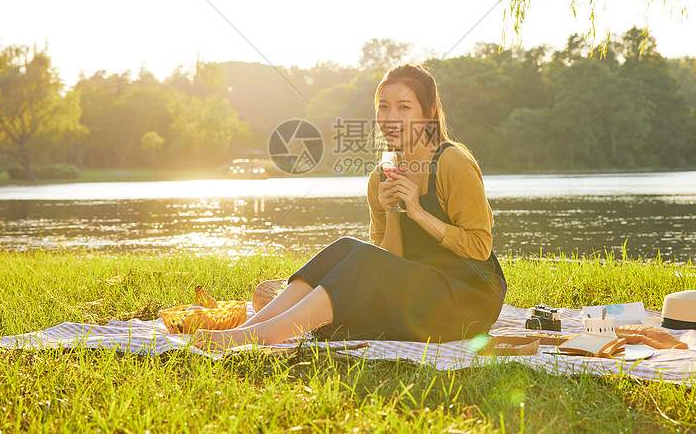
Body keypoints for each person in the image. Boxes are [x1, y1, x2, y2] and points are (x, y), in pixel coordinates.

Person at [194, 63, 507, 350]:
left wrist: (418, 212)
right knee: (346, 248)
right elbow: (389, 261)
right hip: (418, 295)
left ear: (429, 112)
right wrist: (392, 212)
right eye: (383, 107)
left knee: (359, 262)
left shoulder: (453, 163)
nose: (390, 117)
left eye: (404, 106)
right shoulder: (380, 178)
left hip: (465, 299)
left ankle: (267, 335)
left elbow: (479, 248)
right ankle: (252, 326)